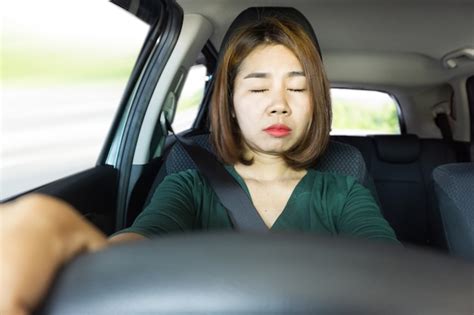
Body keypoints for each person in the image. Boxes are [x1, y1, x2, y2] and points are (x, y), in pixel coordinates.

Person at [0, 16, 399, 315]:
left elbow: (393, 268)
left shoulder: (343, 192)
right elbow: (136, 245)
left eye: (297, 88)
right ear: (229, 103)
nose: (279, 102)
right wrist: (50, 223)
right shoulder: (190, 185)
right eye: (259, 88)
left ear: (316, 105)